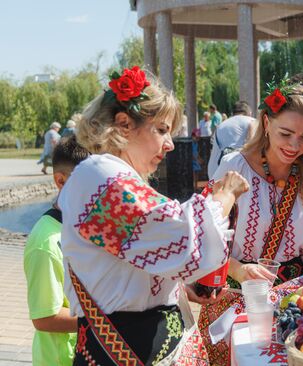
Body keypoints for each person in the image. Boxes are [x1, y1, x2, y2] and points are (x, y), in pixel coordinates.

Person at [58, 66, 249, 365]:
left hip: (140, 344)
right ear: (123, 125)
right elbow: (184, 235)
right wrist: (224, 196)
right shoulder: (99, 177)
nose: (170, 144)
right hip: (126, 347)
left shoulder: (112, 176)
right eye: (161, 130)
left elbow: (136, 256)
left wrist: (180, 288)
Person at [199, 76, 303, 365]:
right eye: (285, 133)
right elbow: (205, 234)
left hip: (296, 304)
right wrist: (238, 270)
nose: (294, 145)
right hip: (236, 302)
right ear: (266, 124)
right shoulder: (234, 166)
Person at [24, 136, 90, 366]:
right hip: (60, 359)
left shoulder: (82, 227)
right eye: (87, 185)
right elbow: (45, 317)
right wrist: (106, 320)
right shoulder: (46, 243)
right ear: (60, 181)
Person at [207, 100, 257, 178]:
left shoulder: (221, 125)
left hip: (218, 172)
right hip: (246, 174)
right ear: (250, 113)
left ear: (232, 113)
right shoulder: (253, 121)